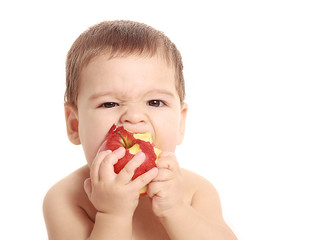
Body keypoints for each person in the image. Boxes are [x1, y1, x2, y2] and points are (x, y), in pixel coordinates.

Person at [43, 20, 237, 240]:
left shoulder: (194, 192)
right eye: (109, 104)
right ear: (74, 125)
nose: (134, 117)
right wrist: (113, 215)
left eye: (155, 102)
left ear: (180, 123)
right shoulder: (67, 199)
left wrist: (176, 210)